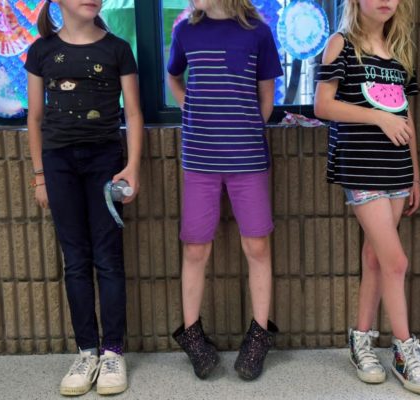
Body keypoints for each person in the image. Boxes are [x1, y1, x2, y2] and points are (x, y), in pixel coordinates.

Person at [314, 0, 420, 395]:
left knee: (375, 258)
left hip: (398, 171)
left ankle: (361, 341)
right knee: (396, 261)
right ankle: (405, 349)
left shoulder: (401, 48)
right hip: (361, 169)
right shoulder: (340, 44)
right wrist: (378, 117)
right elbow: (323, 105)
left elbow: (408, 117)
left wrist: (416, 175)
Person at [25, 0, 143, 395]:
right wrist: (40, 175)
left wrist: (133, 167)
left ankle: (113, 351)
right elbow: (35, 118)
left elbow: (136, 114)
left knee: (108, 258)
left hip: (105, 163)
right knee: (75, 260)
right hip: (58, 166)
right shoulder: (41, 50)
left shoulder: (117, 48)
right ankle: (86, 350)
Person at [166, 0, 283, 381]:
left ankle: (260, 333)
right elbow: (174, 78)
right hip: (199, 159)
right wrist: (193, 111)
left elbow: (266, 97)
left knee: (257, 246)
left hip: (247, 158)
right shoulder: (184, 31)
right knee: (195, 246)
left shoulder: (259, 33)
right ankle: (192, 334)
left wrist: (244, 127)